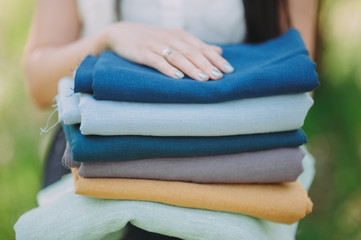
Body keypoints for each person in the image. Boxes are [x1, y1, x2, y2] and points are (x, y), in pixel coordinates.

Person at [23, 0, 318, 238]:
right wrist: (108, 39)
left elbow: (295, 74)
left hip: (239, 150)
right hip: (98, 141)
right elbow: (37, 82)